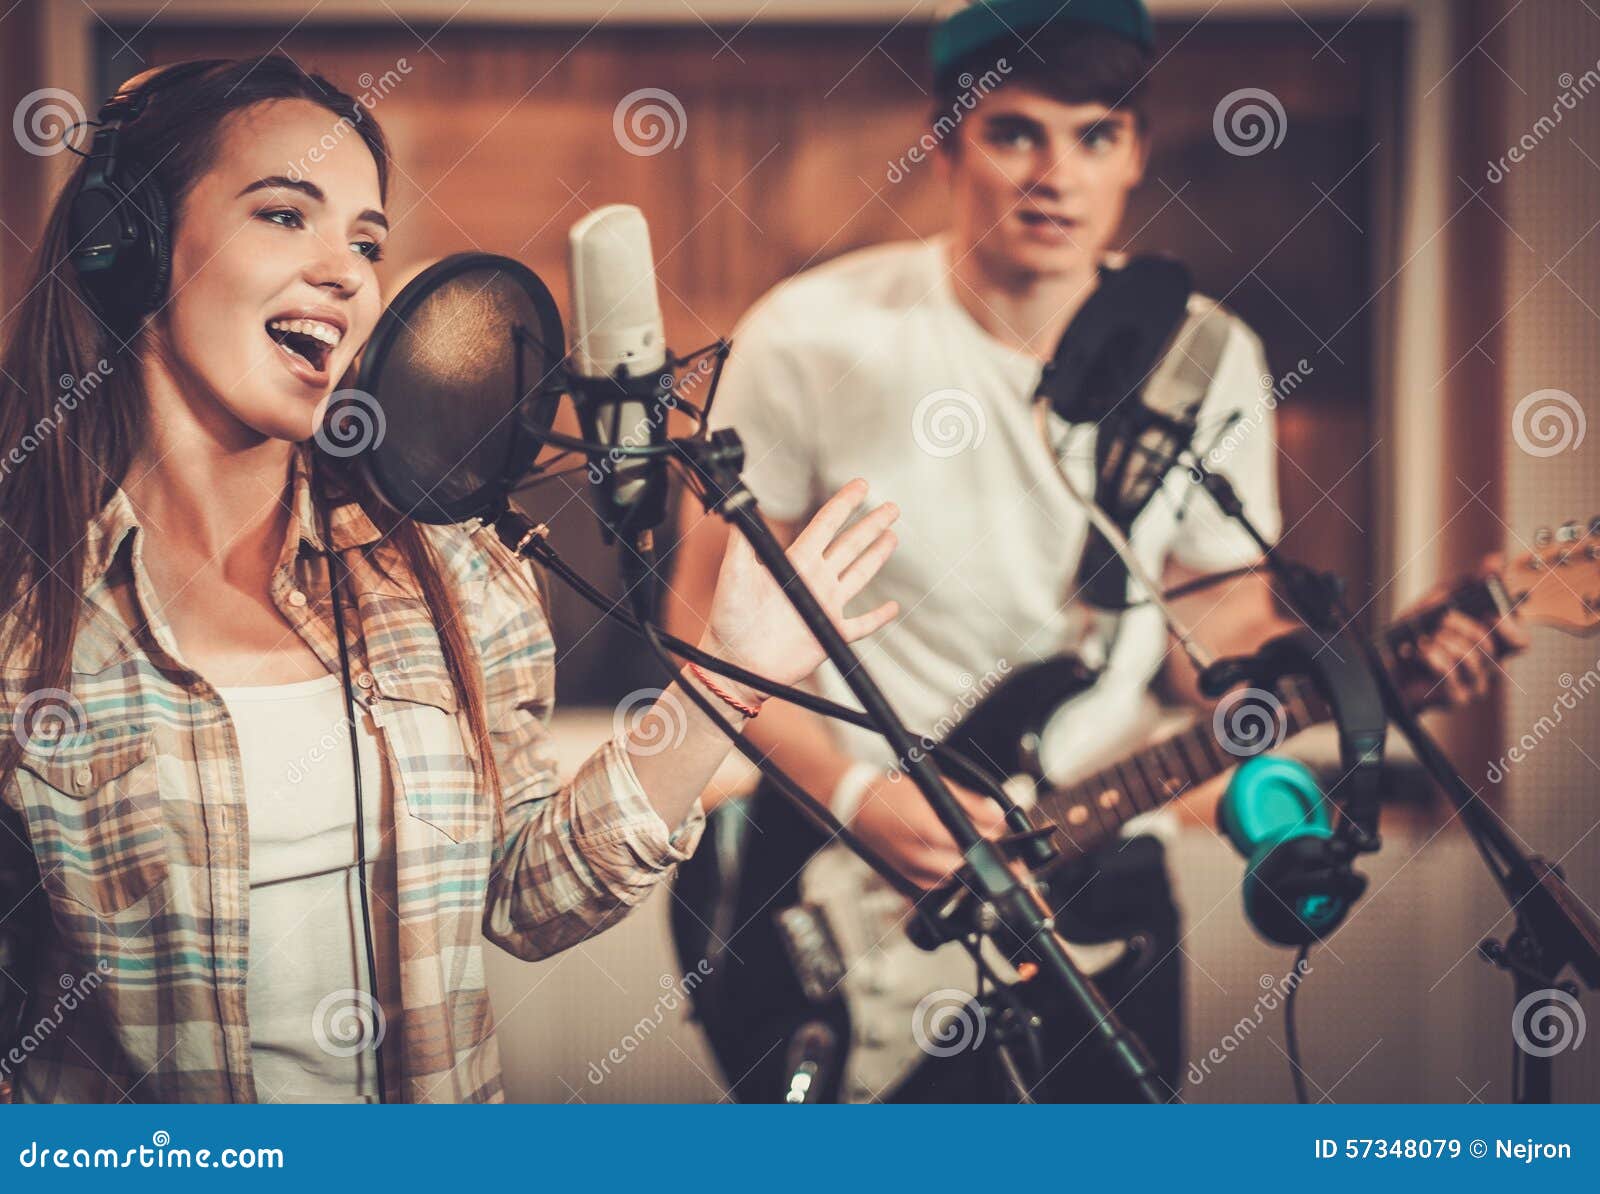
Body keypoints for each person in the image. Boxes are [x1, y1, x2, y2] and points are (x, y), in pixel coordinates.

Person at [664, 0, 1525, 1103]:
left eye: (1095, 133)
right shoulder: (812, 335)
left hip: (1104, 849)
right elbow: (706, 632)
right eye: (1015, 130)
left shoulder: (1204, 357)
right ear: (943, 146)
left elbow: (1215, 622)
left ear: (1135, 154)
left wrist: (1365, 673)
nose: (1054, 174)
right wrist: (856, 796)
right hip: (841, 860)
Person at [0, 56, 900, 1104]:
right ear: (128, 246)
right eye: (286, 214)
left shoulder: (450, 570)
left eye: (367, 240)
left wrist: (721, 687)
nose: (346, 272)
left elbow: (529, 898)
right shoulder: (29, 612)